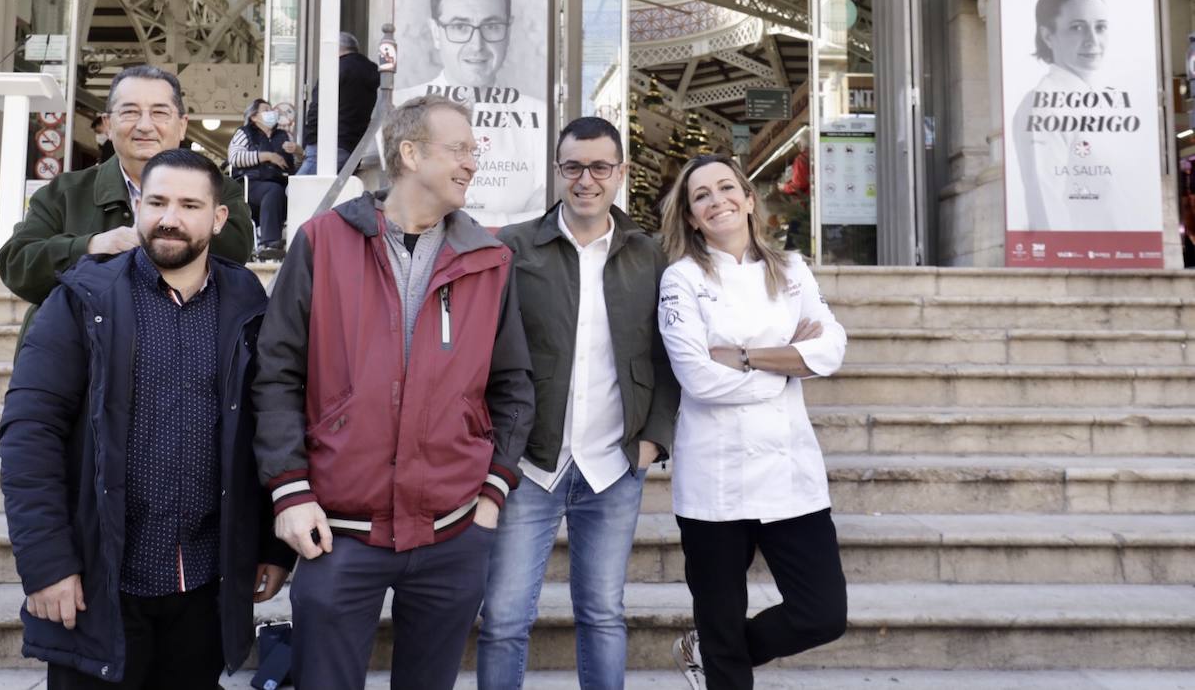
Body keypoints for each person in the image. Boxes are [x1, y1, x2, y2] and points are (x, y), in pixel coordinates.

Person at [252, 94, 535, 690]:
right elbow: (277, 371)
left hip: (452, 528)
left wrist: (493, 489)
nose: (471, 163)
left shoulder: (490, 258)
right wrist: (289, 489)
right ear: (409, 153)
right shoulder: (322, 241)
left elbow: (513, 384)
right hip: (339, 529)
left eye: (473, 151)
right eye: (459, 149)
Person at [0, 148, 295, 689]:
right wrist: (45, 563)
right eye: (156, 201)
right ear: (137, 205)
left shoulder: (247, 304)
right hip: (100, 583)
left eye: (189, 204)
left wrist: (270, 547)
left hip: (206, 584)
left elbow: (267, 426)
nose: (170, 218)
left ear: (219, 218)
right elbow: (29, 434)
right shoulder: (82, 300)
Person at [478, 116, 680, 690]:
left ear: (621, 173)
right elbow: (481, 351)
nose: (585, 179)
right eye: (573, 166)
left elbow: (669, 360)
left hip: (614, 465)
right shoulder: (511, 248)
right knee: (504, 620)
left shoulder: (651, 256)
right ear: (557, 171)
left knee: (603, 616)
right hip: (529, 466)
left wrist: (653, 440)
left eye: (599, 167)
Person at [658, 154, 848, 690]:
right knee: (722, 628)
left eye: (725, 188)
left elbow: (831, 350)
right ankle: (718, 655)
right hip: (715, 481)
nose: (716, 200)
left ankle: (711, 651)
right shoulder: (682, 280)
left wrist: (746, 356)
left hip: (790, 475)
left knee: (822, 614)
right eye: (701, 196)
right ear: (692, 217)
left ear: (747, 198)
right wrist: (790, 362)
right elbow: (698, 378)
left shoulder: (791, 270)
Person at [0, 65, 252, 349]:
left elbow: (235, 251)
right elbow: (16, 264)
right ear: (107, 124)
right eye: (130, 112)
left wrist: (161, 241)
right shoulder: (64, 193)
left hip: (181, 353)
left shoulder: (218, 190)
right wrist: (92, 246)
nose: (144, 125)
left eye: (159, 113)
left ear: (182, 125)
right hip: (77, 356)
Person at [397, 0, 548, 227]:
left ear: (508, 30)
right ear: (435, 32)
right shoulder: (401, 106)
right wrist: (508, 221)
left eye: (491, 26)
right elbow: (406, 202)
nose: (476, 45)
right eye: (459, 27)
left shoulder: (540, 114)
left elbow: (544, 210)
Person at [1010, 0, 1149, 232]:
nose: (1093, 40)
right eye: (1077, 28)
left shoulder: (1107, 99)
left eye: (1100, 27)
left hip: (1125, 258)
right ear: (1047, 36)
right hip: (1084, 262)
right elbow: (1046, 204)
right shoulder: (1042, 104)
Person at [294, 31, 379, 175]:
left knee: (296, 193)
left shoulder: (334, 70)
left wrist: (311, 140)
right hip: (354, 147)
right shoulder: (370, 71)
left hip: (326, 145)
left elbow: (317, 107)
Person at [229, 97, 297, 260]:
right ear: (254, 116)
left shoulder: (284, 135)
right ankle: (269, 243)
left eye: (272, 110)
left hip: (281, 184)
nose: (271, 113)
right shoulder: (244, 133)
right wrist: (266, 156)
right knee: (273, 191)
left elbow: (298, 163)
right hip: (251, 185)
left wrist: (298, 151)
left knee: (294, 195)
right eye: (266, 110)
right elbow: (235, 157)